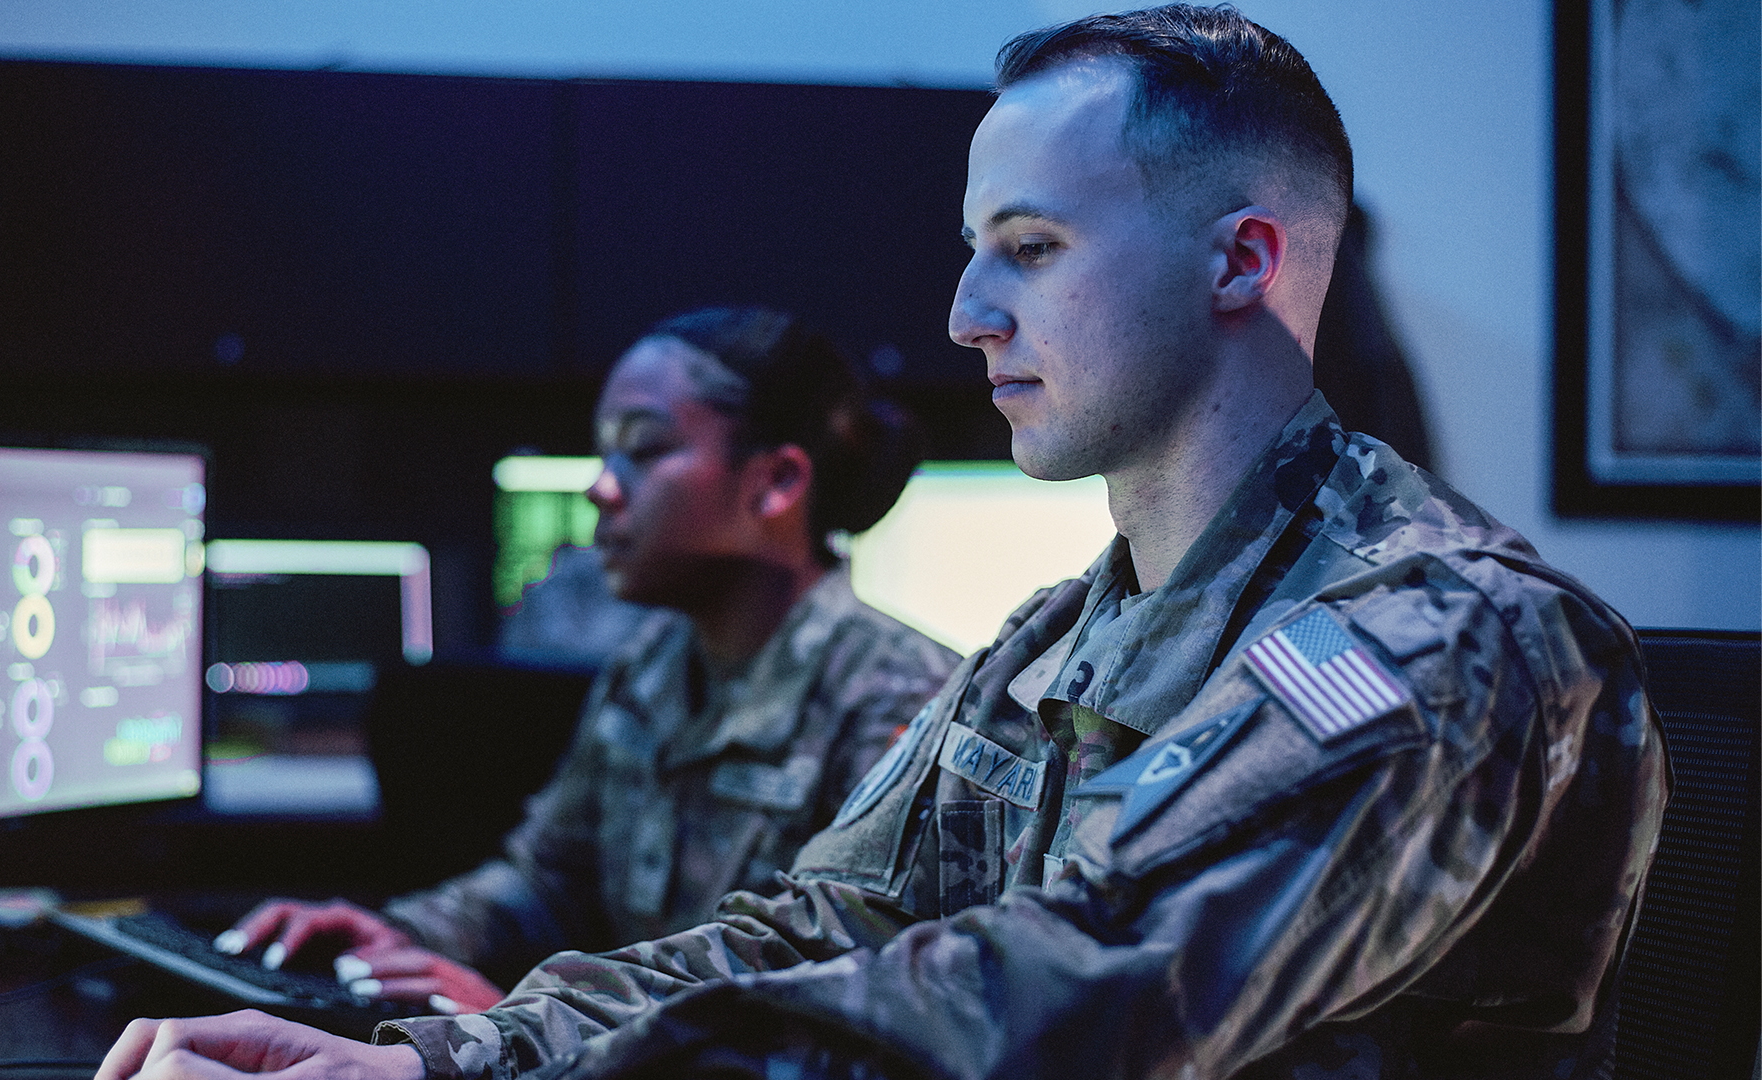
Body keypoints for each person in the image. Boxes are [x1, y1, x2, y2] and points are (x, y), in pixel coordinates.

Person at [95, 7, 1668, 1079]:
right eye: (973, 254)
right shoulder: (1059, 635)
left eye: (1030, 252)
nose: (967, 316)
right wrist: (442, 1050)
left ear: (1240, 261)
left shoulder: (1448, 635)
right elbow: (816, 922)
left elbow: (1084, 996)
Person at [210, 306, 958, 1013]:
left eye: (643, 449)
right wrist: (404, 935)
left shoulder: (901, 700)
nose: (601, 487)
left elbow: (840, 997)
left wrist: (536, 1024)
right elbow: (547, 882)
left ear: (776, 483)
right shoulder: (651, 668)